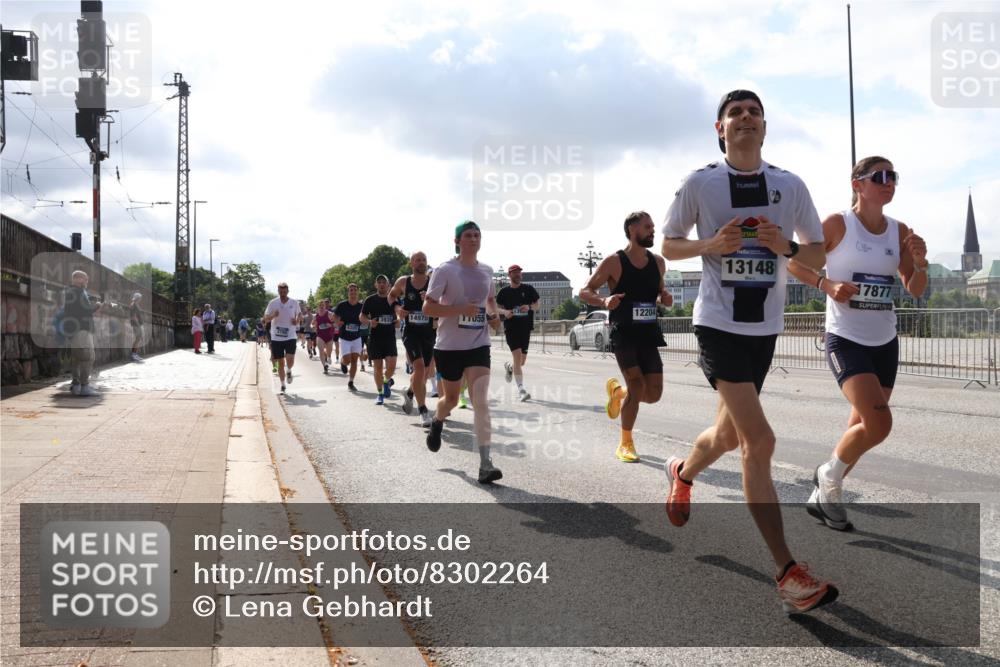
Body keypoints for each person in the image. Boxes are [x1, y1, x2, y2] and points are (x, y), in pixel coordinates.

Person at [660, 89, 837, 614]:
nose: (745, 118)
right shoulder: (701, 182)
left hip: (764, 330)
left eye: (754, 112)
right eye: (735, 113)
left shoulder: (789, 185)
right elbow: (669, 244)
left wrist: (783, 246)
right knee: (758, 441)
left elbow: (817, 249)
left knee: (726, 433)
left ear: (765, 127)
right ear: (720, 129)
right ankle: (788, 572)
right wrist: (710, 245)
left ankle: (682, 473)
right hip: (717, 324)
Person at [788, 156, 927, 531]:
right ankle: (827, 478)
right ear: (857, 184)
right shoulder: (838, 224)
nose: (889, 182)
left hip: (884, 339)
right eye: (879, 176)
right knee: (879, 423)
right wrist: (826, 284)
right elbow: (794, 263)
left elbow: (914, 288)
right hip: (845, 338)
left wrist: (920, 262)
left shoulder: (899, 231)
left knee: (862, 426)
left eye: (893, 176)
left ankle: (827, 494)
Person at [580, 212, 672, 462]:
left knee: (654, 394)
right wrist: (604, 300)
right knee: (638, 386)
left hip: (649, 333)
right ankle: (625, 443)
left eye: (653, 227)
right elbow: (584, 291)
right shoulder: (614, 261)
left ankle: (618, 393)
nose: (653, 230)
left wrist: (664, 297)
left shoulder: (658, 262)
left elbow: (659, 290)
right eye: (647, 226)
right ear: (632, 230)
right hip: (624, 333)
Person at [423, 220, 503, 484]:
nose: (473, 238)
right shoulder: (445, 270)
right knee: (452, 400)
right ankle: (437, 420)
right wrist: (459, 310)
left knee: (480, 400)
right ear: (457, 241)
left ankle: (485, 464)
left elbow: (490, 299)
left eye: (477, 235)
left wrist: (493, 316)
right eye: (468, 235)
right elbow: (428, 308)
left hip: (478, 344)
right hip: (448, 346)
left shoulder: (487, 271)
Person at [389, 251, 437, 426]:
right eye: (418, 260)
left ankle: (410, 392)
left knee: (424, 373)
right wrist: (397, 309)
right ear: (412, 263)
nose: (421, 262)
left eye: (424, 259)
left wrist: (432, 301)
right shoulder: (404, 281)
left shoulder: (434, 283)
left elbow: (444, 303)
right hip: (410, 331)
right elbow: (391, 296)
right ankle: (423, 410)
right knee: (419, 367)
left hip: (429, 332)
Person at [496, 265, 540, 401]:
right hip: (511, 328)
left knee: (522, 361)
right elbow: (496, 308)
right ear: (509, 275)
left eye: (519, 273)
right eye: (515, 273)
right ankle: (521, 389)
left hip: (525, 328)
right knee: (517, 356)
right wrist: (505, 312)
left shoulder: (529, 289)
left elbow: (538, 305)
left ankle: (509, 367)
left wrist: (530, 307)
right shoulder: (504, 292)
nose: (518, 275)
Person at [62, 270, 103, 396]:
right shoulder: (77, 292)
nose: (87, 282)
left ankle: (76, 385)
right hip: (81, 330)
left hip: (75, 330)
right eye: (85, 279)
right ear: (78, 279)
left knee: (77, 359)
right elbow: (85, 310)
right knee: (88, 357)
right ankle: (84, 386)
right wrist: (97, 305)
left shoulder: (71, 292)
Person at [362, 275, 399, 405]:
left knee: (392, 366)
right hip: (375, 338)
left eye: (384, 282)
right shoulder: (370, 300)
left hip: (389, 337)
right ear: (376, 285)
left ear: (389, 285)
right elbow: (362, 316)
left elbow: (398, 311)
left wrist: (399, 319)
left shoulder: (393, 299)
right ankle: (380, 394)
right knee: (378, 368)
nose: (382, 284)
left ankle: (386, 381)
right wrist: (369, 322)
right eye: (379, 282)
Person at [263, 282, 301, 393]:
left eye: (284, 292)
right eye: (281, 292)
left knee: (290, 360)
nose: (283, 294)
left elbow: (299, 315)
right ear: (278, 291)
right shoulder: (273, 303)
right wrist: (273, 316)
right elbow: (265, 319)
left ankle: (289, 370)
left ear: (288, 291)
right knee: (280, 362)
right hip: (276, 337)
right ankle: (283, 384)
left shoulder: (294, 303)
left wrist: (297, 320)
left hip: (290, 335)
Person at [334, 284, 365, 391]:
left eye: (355, 290)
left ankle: (351, 382)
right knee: (347, 360)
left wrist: (366, 322)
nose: (353, 292)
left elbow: (366, 317)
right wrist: (338, 322)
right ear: (348, 292)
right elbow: (335, 317)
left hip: (356, 337)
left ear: (358, 292)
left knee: (354, 361)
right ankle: (343, 363)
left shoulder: (362, 306)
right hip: (344, 337)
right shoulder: (342, 305)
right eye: (351, 290)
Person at [315, 298, 337, 373]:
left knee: (329, 351)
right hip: (320, 335)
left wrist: (330, 324)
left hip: (329, 335)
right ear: (318, 306)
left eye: (322, 305)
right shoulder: (316, 315)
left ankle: (329, 357)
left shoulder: (329, 314)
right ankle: (324, 366)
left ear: (325, 306)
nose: (321, 307)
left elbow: (336, 324)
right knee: (321, 350)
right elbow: (312, 324)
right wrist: (313, 326)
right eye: (320, 305)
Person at [129, 292, 144, 362]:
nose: (140, 299)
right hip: (136, 324)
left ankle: (135, 354)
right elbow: (133, 317)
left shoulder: (136, 305)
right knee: (137, 338)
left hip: (138, 324)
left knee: (138, 339)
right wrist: (138, 324)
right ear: (137, 298)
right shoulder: (133, 305)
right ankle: (133, 354)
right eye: (140, 298)